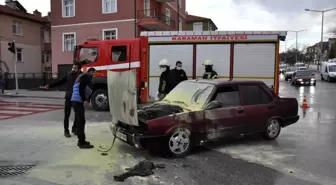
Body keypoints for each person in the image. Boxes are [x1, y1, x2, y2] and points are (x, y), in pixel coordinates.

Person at [44, 62, 82, 138]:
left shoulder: (81, 76)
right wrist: (50, 86)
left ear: (79, 69)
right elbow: (60, 82)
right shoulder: (68, 75)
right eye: (73, 67)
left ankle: (74, 129)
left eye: (75, 68)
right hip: (68, 97)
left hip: (77, 98)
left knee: (78, 115)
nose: (73, 69)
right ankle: (66, 131)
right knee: (67, 115)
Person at [71, 68, 96, 149]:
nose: (94, 75)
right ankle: (81, 142)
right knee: (81, 121)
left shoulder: (83, 76)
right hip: (78, 101)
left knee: (80, 121)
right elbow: (81, 88)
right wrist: (84, 99)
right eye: (94, 73)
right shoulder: (86, 76)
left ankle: (81, 141)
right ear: (91, 72)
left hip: (77, 101)